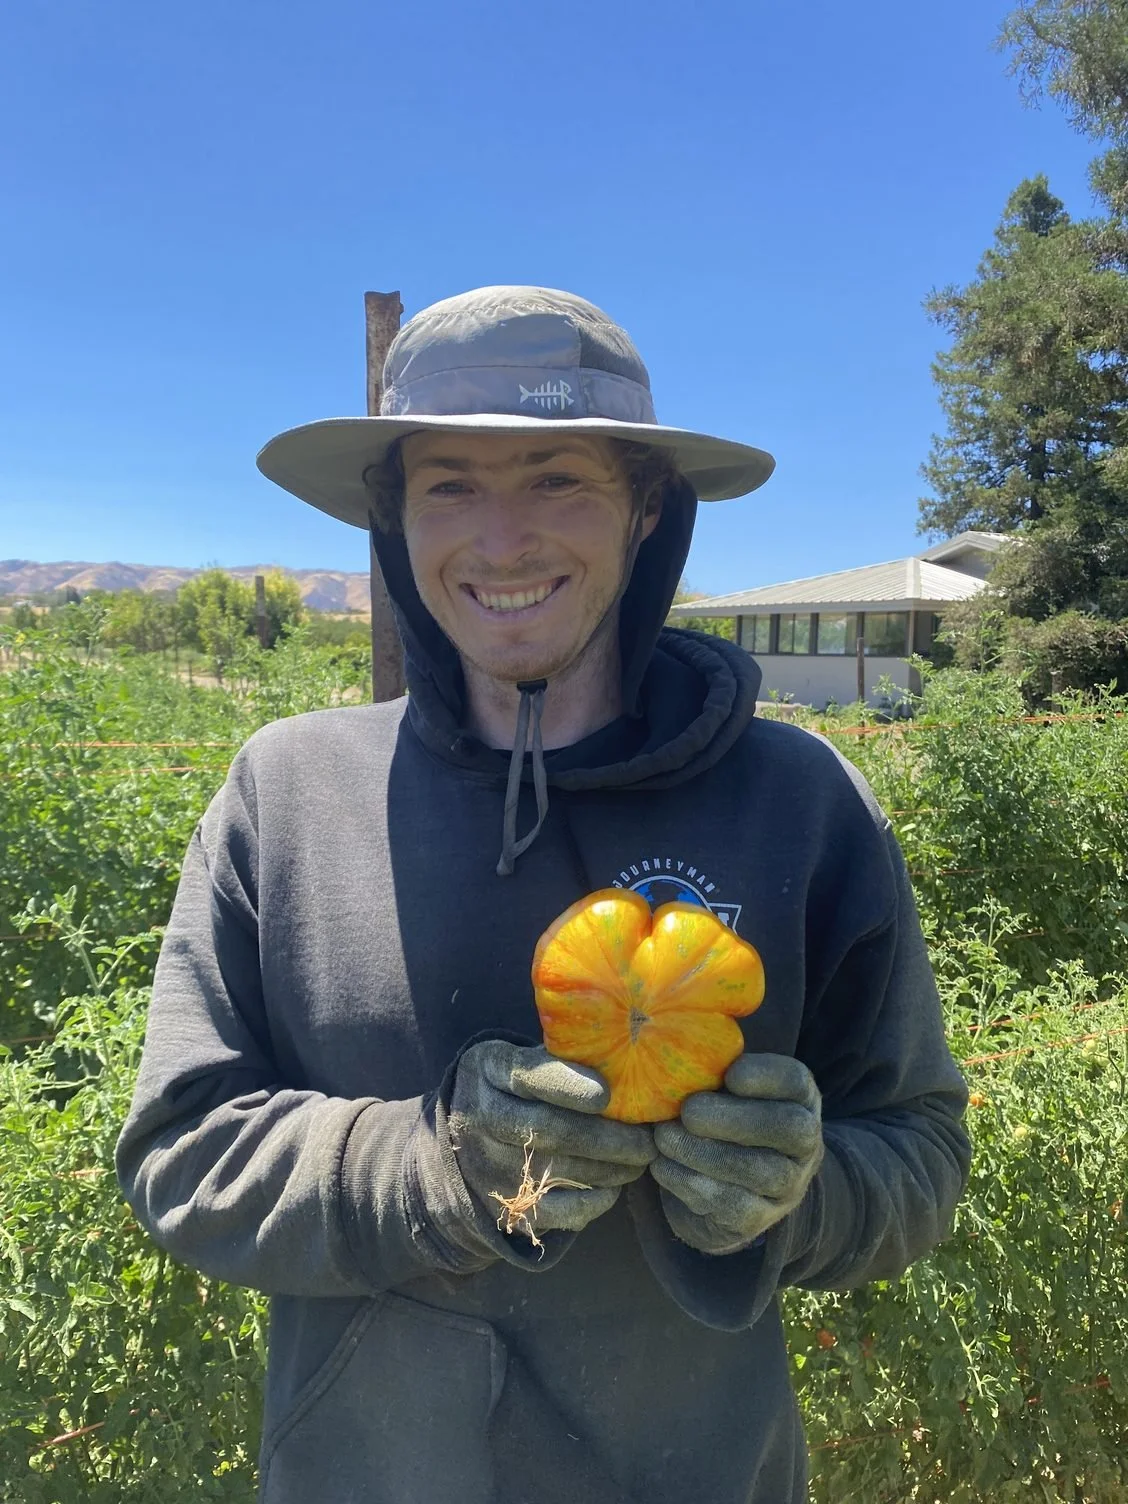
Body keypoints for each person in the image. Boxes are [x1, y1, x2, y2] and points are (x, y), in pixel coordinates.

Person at [115, 285, 971, 1504]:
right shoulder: (290, 791)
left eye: (560, 479)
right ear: (392, 516)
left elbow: (923, 1150)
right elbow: (180, 1155)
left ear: (648, 511)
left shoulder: (800, 800)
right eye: (450, 484)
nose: (502, 540)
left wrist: (802, 1196)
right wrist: (428, 1168)